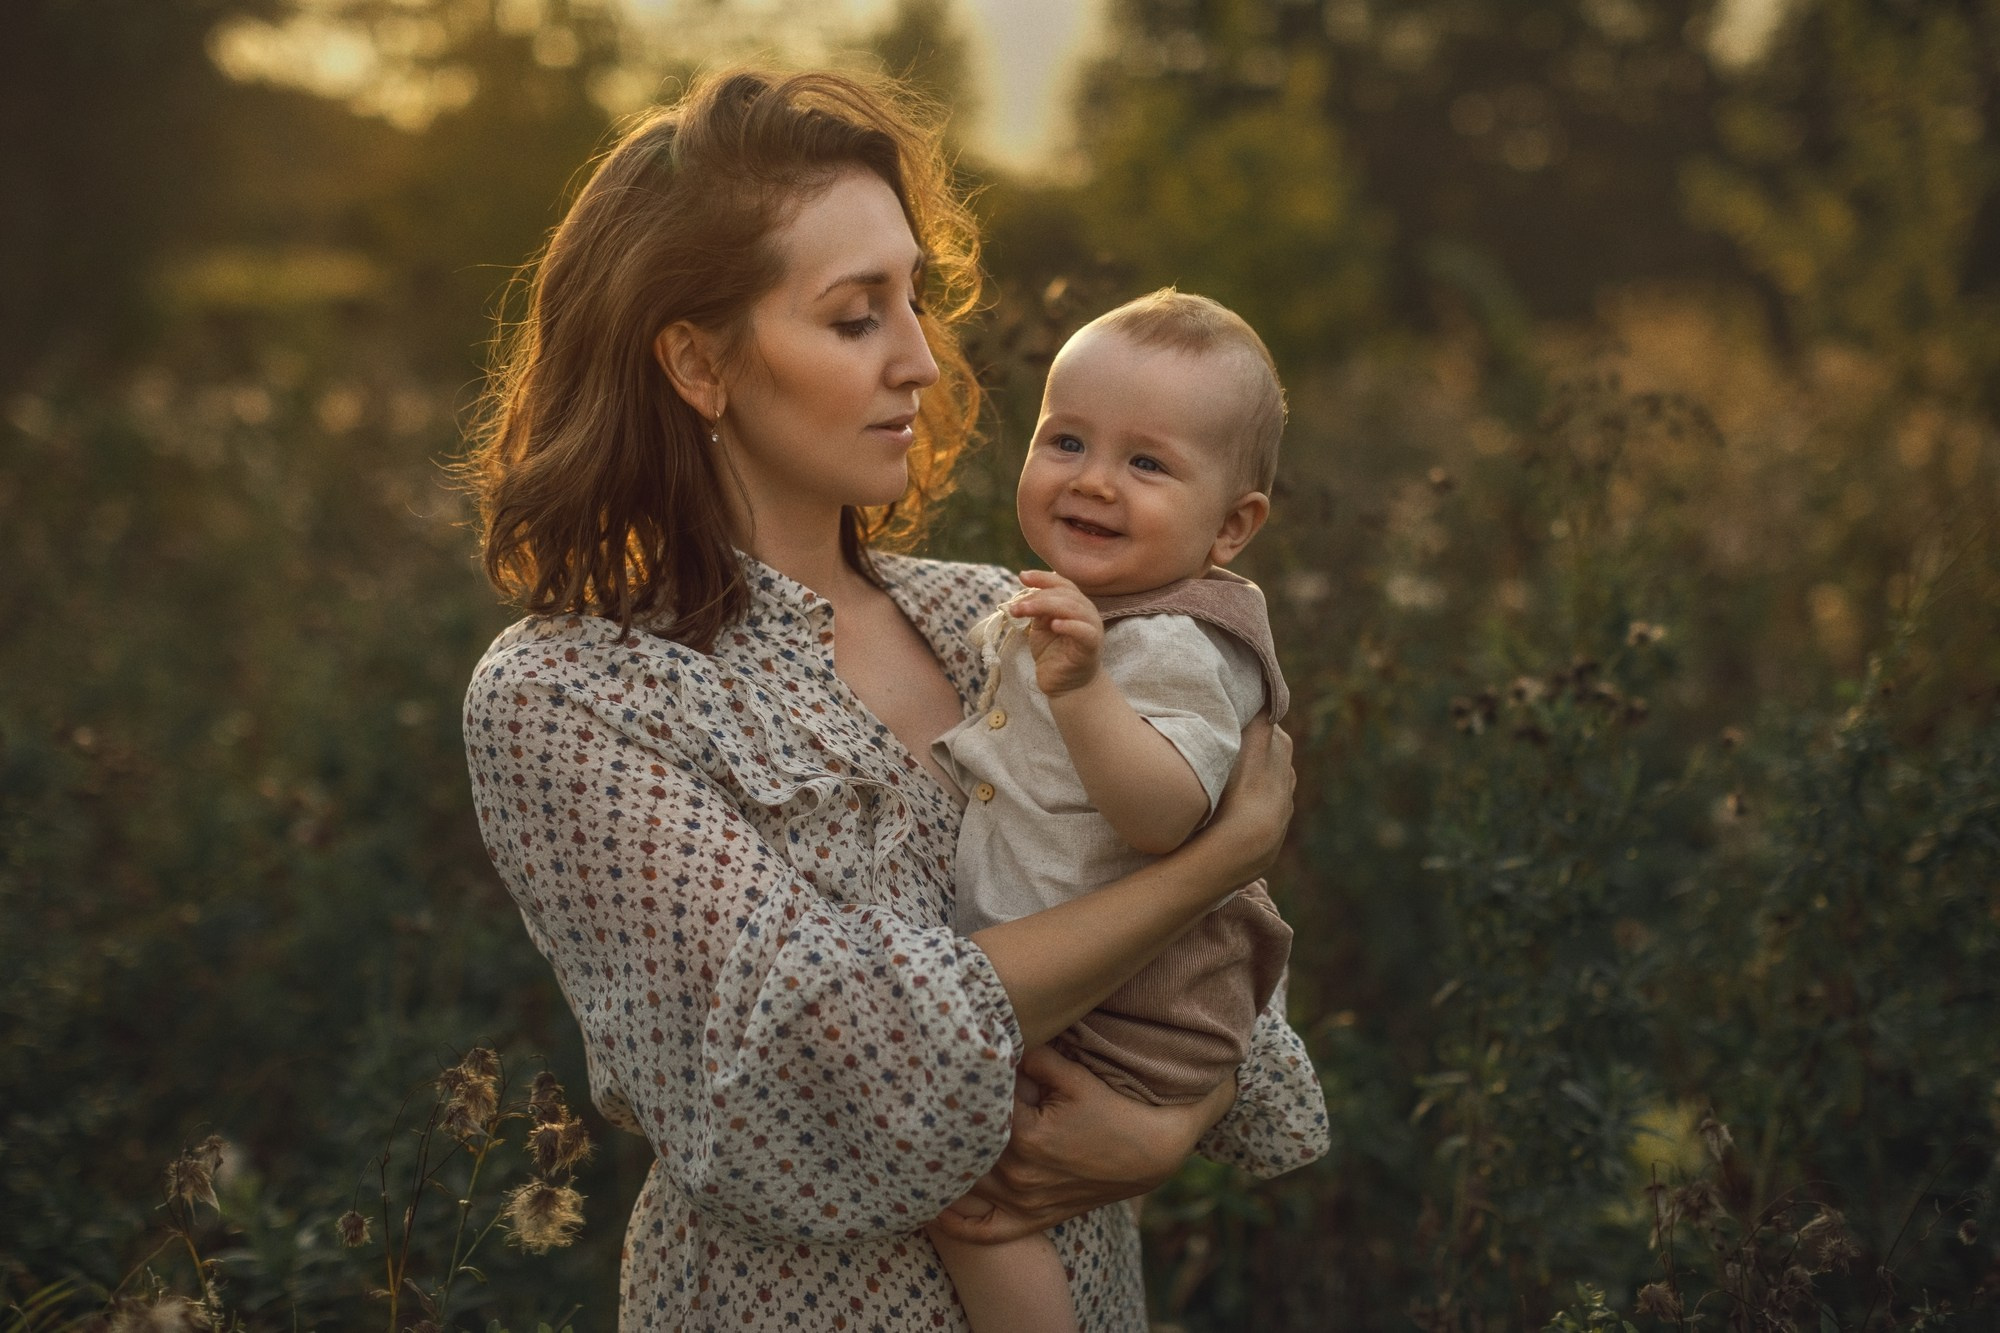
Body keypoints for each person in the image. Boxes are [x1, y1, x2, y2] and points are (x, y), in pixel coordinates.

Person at [460, 67, 1328, 1332]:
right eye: (856, 316)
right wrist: (1210, 865)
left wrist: (1162, 1120)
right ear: (699, 362)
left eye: (914, 299)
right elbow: (835, 1042)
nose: (923, 362)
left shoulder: (999, 616)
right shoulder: (574, 696)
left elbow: (1222, 965)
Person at [926, 291, 1298, 1333]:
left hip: (1131, 1012)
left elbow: (1167, 816)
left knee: (977, 1198)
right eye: (1067, 439)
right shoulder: (1073, 608)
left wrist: (1083, 691)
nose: (1091, 478)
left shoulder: (1173, 645)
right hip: (1077, 986)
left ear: (1231, 526)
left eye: (1146, 463)